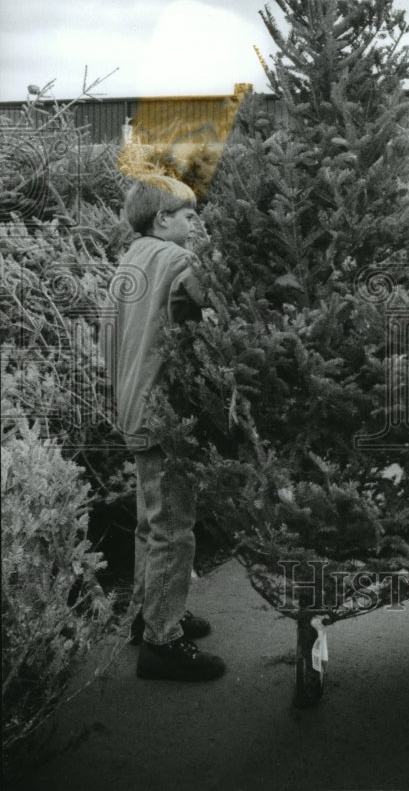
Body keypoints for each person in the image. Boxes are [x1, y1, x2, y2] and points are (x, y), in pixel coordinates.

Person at [101, 174, 226, 681]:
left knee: (150, 522)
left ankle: (148, 614)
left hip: (134, 406)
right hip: (165, 416)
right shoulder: (177, 261)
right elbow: (220, 301)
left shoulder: (130, 260)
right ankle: (162, 642)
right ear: (163, 220)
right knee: (174, 528)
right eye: (189, 214)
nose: (197, 223)